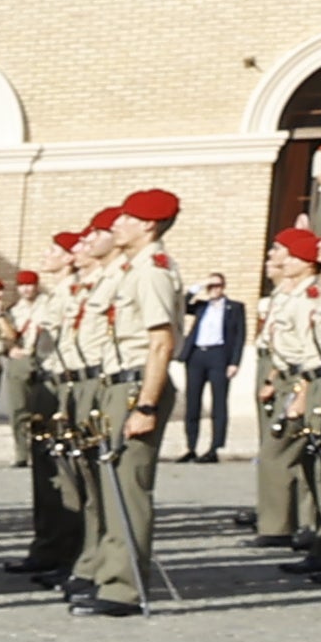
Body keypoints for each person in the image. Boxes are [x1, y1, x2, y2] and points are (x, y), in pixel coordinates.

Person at [74, 188, 189, 618]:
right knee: (111, 488)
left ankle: (124, 588)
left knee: (129, 488)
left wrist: (146, 406)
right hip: (118, 382)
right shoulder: (133, 268)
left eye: (126, 218)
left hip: (138, 383)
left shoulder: (152, 271)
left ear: (148, 225)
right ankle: (108, 573)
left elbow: (161, 342)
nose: (115, 225)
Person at [180, 267, 245, 471]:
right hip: (197, 355)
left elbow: (240, 336)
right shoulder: (200, 306)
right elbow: (181, 305)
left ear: (224, 287)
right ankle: (191, 446)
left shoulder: (234, 307)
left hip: (219, 356)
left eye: (217, 286)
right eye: (211, 286)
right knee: (192, 403)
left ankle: (214, 447)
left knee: (218, 403)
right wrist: (197, 286)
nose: (214, 289)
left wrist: (234, 362)